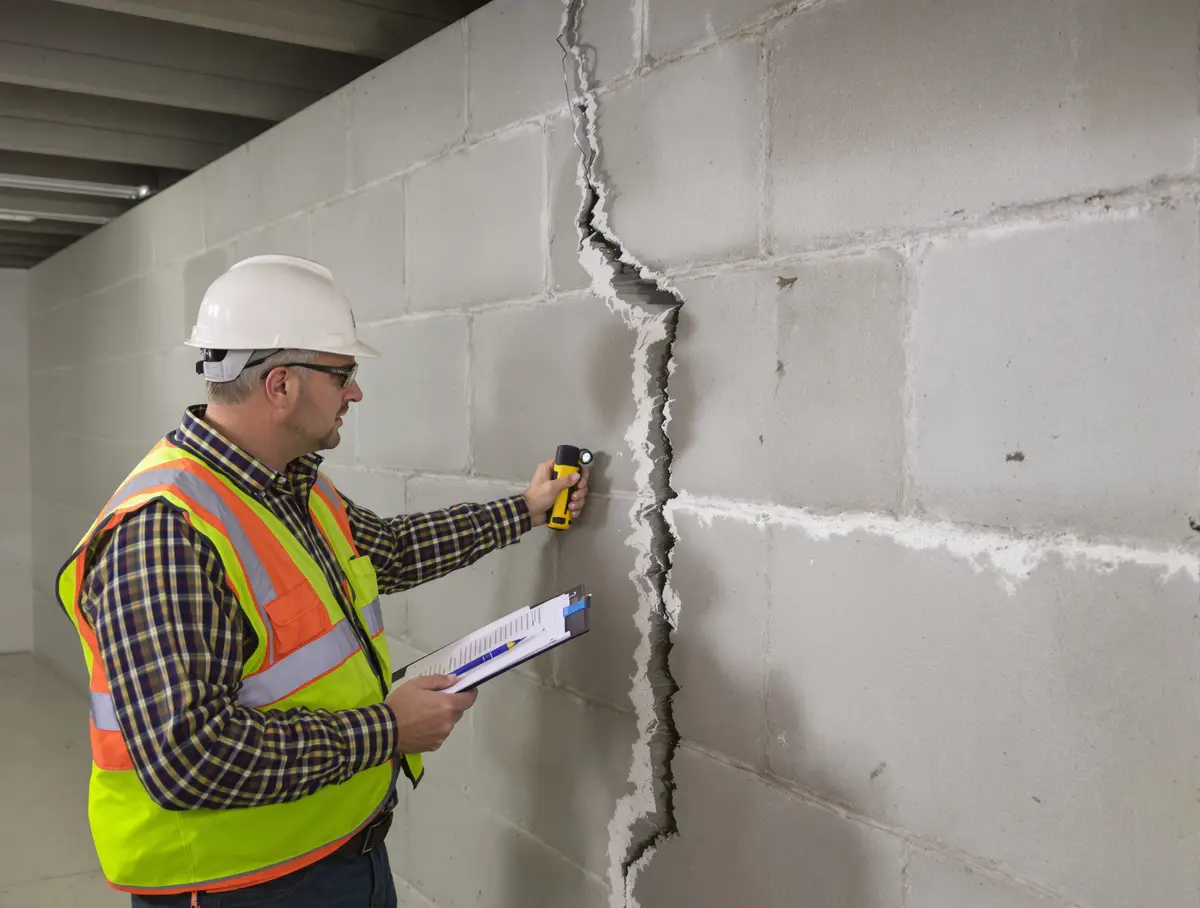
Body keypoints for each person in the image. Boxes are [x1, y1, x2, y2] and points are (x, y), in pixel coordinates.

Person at [54, 254, 590, 908]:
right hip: (235, 888)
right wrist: (388, 731)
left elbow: (389, 550)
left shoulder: (287, 484)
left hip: (341, 852)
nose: (355, 393)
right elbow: (187, 758)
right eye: (343, 375)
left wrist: (527, 508)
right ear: (280, 385)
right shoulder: (164, 533)